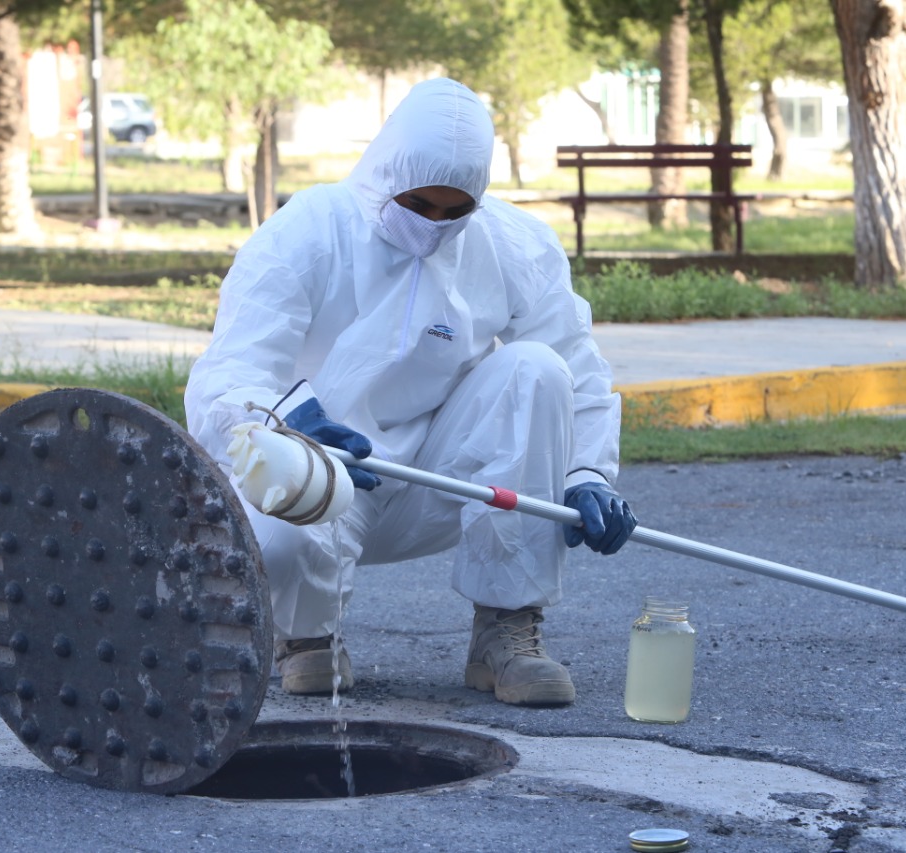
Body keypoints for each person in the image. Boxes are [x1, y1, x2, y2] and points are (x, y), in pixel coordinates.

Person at [184, 77, 637, 707]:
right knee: (278, 537)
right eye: (419, 205)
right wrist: (293, 418)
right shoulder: (308, 230)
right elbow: (228, 372)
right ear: (383, 176)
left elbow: (577, 364)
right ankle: (305, 636)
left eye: (456, 212)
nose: (435, 225)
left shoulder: (510, 242)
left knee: (535, 369)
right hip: (324, 476)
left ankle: (504, 628)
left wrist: (589, 471)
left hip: (441, 481)